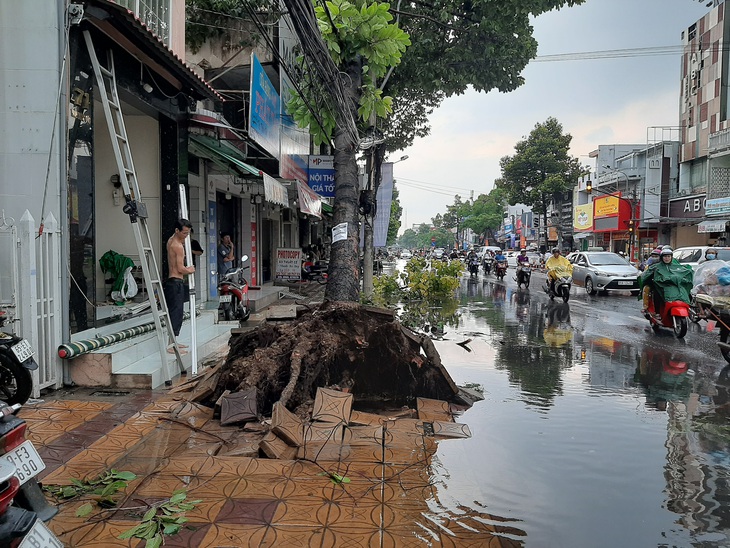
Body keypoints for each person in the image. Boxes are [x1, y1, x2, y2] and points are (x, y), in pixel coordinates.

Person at [164, 219, 195, 353]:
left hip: (171, 282)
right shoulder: (178, 246)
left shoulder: (171, 240)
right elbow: (181, 268)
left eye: (187, 233)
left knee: (174, 312)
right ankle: (171, 345)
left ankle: (174, 341)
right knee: (176, 313)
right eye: (184, 233)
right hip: (176, 282)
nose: (186, 236)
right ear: (177, 231)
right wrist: (190, 270)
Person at [640, 248, 662, 314]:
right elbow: (645, 274)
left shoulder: (667, 265)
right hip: (654, 283)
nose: (654, 258)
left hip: (665, 284)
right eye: (653, 256)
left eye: (656, 256)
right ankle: (645, 307)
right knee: (646, 288)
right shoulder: (649, 265)